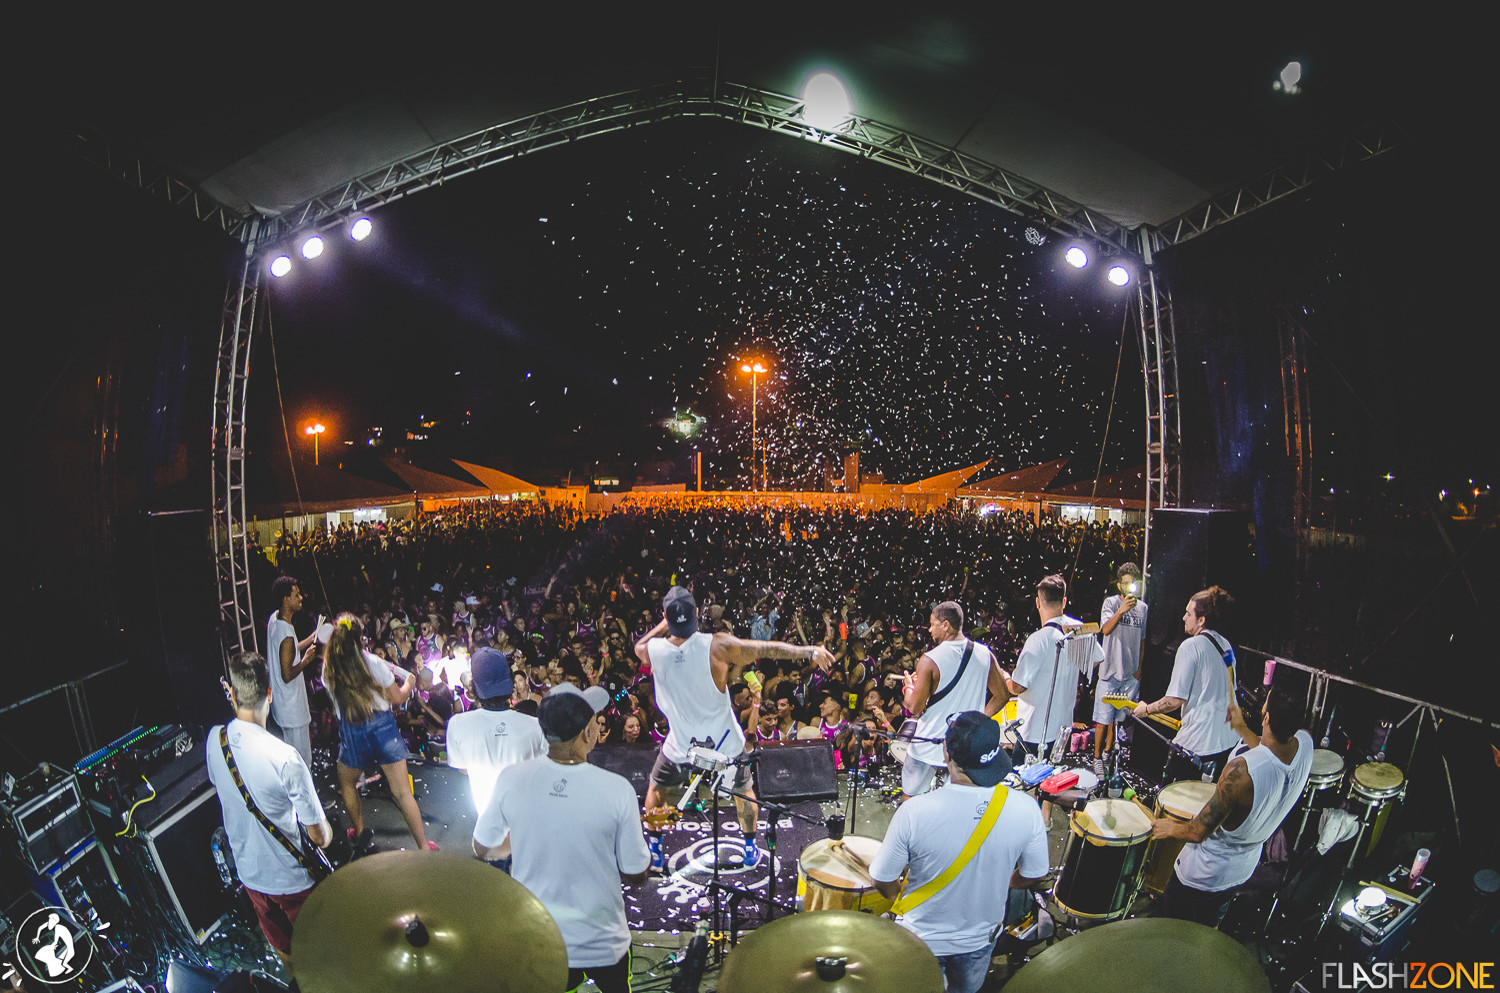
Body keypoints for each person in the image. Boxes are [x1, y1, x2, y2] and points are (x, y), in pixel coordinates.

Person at [635, 585, 835, 870]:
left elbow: (638, 647)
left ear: (666, 617)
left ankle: (655, 849)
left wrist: (663, 624)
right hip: (724, 740)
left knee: (657, 789)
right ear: (696, 613)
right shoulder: (717, 645)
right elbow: (768, 648)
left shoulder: (654, 651)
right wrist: (810, 651)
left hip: (681, 741)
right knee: (743, 790)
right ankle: (750, 846)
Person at [472, 684, 651, 993]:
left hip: (539, 937)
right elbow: (635, 872)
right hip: (602, 942)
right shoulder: (617, 789)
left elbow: (482, 847)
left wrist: (527, 839)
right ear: (587, 732)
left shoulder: (511, 778)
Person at [870, 712, 1050, 993]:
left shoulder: (914, 812)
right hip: (978, 941)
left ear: (946, 753)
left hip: (920, 940)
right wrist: (1007, 882)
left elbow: (882, 879)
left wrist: (900, 901)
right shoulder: (1026, 809)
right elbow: (1035, 873)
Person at [206, 651, 332, 979]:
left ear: (231, 693)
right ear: (270, 694)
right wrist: (328, 829)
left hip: (251, 879)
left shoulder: (215, 741)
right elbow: (319, 837)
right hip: (293, 882)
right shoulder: (285, 757)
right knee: (322, 952)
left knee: (285, 949)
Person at [1152, 686, 1313, 927]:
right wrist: (1241, 728)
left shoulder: (1240, 772)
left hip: (1202, 875)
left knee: (1170, 933)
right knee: (1206, 934)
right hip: (1241, 870)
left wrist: (1169, 827)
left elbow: (1198, 831)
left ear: (1266, 717)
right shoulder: (1305, 744)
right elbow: (1270, 752)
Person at [322, 614, 439, 851]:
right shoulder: (373, 663)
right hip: (382, 728)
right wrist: (409, 684)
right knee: (402, 792)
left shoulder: (329, 667)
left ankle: (360, 834)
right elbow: (397, 698)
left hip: (352, 730)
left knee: (348, 783)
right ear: (360, 638)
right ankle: (423, 847)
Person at [445, 646, 547, 868]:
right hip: (527, 826)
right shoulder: (535, 726)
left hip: (488, 828)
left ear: (474, 688)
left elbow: (462, 767)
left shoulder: (458, 725)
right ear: (510, 685)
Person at [901, 601, 1008, 799]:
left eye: (932, 624)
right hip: (965, 747)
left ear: (946, 625)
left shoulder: (930, 659)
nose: (929, 630)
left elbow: (914, 706)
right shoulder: (985, 654)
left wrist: (909, 687)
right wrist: (976, 721)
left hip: (928, 745)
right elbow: (1003, 695)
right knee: (958, 803)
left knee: (910, 799)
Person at [1135, 586, 1240, 782]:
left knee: (1171, 796)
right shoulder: (1226, 645)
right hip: (1227, 743)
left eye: (1188, 613)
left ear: (1201, 620)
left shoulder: (1190, 647)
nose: (1183, 618)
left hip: (1197, 745)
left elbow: (1174, 701)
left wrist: (1146, 710)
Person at [1005, 575, 1102, 763]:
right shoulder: (1077, 629)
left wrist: (1005, 678)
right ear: (1064, 601)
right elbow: (1098, 658)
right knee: (1052, 777)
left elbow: (1018, 687)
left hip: (1034, 732)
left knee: (1022, 779)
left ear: (1038, 602)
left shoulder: (1038, 639)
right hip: (1062, 732)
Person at [1093, 562, 1148, 773]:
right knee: (1102, 719)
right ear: (1119, 585)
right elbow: (1105, 630)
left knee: (1117, 720)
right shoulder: (1111, 603)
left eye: (1133, 583)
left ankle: (1108, 753)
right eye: (1125, 583)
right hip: (1109, 671)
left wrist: (1139, 668)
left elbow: (1142, 641)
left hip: (1130, 674)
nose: (1129, 587)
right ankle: (1097, 757)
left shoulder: (1143, 609)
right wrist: (1122, 609)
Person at [266, 575, 320, 768]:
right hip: (292, 710)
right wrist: (306, 661)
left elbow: (287, 652)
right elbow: (287, 674)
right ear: (285, 599)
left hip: (281, 706)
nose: (301, 598)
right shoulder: (287, 634)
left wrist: (311, 638)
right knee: (301, 762)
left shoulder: (275, 619)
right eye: (296, 595)